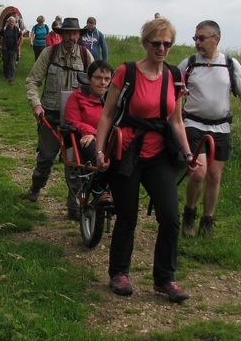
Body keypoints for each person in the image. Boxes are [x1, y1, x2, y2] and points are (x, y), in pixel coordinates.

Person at [95, 16, 193, 302]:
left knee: (171, 218)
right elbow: (107, 114)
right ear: (145, 43)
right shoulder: (127, 73)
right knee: (127, 216)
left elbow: (176, 121)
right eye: (156, 43)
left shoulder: (174, 76)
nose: (162, 48)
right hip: (127, 153)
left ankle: (165, 279)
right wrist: (101, 152)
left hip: (159, 154)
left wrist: (187, 154)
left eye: (167, 43)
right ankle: (119, 273)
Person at [178, 20, 241, 237]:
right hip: (193, 125)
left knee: (215, 176)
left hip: (221, 128)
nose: (197, 42)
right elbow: (174, 94)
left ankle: (207, 221)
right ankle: (189, 213)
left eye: (201, 38)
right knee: (198, 173)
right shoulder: (188, 64)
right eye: (195, 38)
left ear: (216, 39)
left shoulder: (230, 64)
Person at [25, 17, 94, 219]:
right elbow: (32, 81)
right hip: (50, 118)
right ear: (61, 34)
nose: (71, 37)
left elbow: (97, 85)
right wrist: (36, 105)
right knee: (45, 159)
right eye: (68, 33)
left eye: (75, 34)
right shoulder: (49, 53)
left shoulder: (85, 56)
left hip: (74, 123)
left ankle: (74, 208)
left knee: (73, 165)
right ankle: (36, 187)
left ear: (79, 35)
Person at [64, 60, 114, 204]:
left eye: (107, 79)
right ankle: (98, 189)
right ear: (88, 78)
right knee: (90, 143)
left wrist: (98, 134)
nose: (103, 82)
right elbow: (73, 121)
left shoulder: (114, 99)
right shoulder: (77, 97)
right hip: (83, 140)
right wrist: (92, 133)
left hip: (108, 139)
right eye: (98, 78)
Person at [1, 16, 22, 85]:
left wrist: (19, 46)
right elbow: (0, 37)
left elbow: (21, 38)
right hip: (5, 49)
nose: (12, 23)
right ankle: (6, 76)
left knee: (12, 64)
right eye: (10, 22)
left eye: (13, 22)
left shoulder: (17, 30)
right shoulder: (4, 29)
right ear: (8, 22)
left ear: (15, 23)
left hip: (14, 49)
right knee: (6, 63)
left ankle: (11, 79)